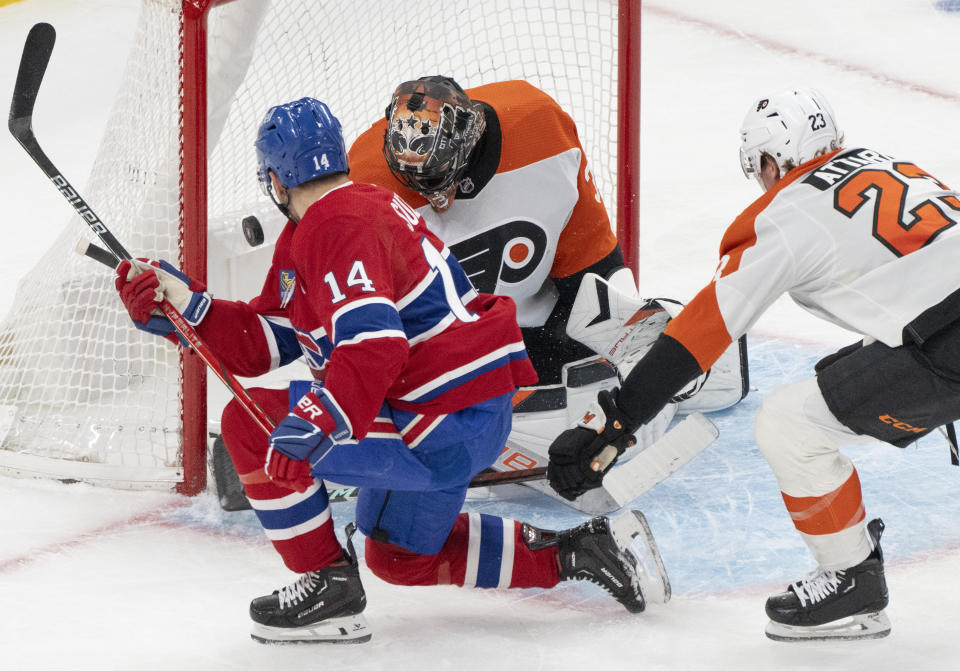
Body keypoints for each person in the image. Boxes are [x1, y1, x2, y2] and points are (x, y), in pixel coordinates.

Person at [113, 97, 669, 644]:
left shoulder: (339, 225)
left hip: (436, 417)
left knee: (248, 424)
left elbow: (374, 344)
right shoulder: (332, 222)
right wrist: (186, 308)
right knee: (399, 555)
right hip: (460, 413)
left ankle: (327, 586)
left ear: (275, 181)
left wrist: (318, 417)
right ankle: (582, 551)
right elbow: (273, 340)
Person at [546, 86, 960, 641]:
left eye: (759, 169)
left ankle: (851, 578)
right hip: (943, 326)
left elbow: (699, 333)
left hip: (949, 340)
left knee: (790, 424)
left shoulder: (787, 214)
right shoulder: (888, 164)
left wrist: (617, 425)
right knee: (851, 371)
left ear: (771, 161)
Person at [348, 76, 749, 511]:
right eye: (422, 188)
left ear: (469, 139)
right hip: (436, 357)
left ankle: (672, 380)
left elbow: (593, 267)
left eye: (444, 181)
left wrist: (632, 361)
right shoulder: (360, 184)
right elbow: (354, 315)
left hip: (531, 334)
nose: (438, 200)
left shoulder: (540, 130)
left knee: (630, 349)